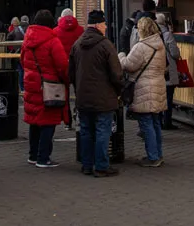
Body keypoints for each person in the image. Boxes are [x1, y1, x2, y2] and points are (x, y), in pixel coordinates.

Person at [68, 9, 123, 178]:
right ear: (99, 25)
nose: (106, 27)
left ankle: (86, 165)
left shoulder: (77, 44)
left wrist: (78, 88)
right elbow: (116, 73)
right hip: (103, 97)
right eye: (104, 24)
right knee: (102, 131)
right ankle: (101, 166)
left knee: (85, 131)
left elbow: (71, 73)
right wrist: (119, 90)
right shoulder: (106, 45)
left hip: (83, 97)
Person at [20, 9, 69, 169]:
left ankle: (33, 155)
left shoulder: (27, 39)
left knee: (34, 121)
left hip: (31, 84)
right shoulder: (52, 41)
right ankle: (43, 157)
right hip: (49, 86)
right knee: (48, 122)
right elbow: (62, 66)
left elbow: (22, 61)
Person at [118, 15, 167, 168]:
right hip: (158, 86)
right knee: (155, 122)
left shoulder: (142, 46)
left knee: (146, 123)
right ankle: (158, 154)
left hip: (144, 89)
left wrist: (121, 55)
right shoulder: (159, 43)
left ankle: (152, 157)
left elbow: (129, 65)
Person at [156, 13, 181, 130]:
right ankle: (167, 121)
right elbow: (175, 54)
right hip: (168, 71)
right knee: (168, 98)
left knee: (159, 98)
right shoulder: (167, 35)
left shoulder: (152, 35)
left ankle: (159, 121)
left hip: (157, 71)